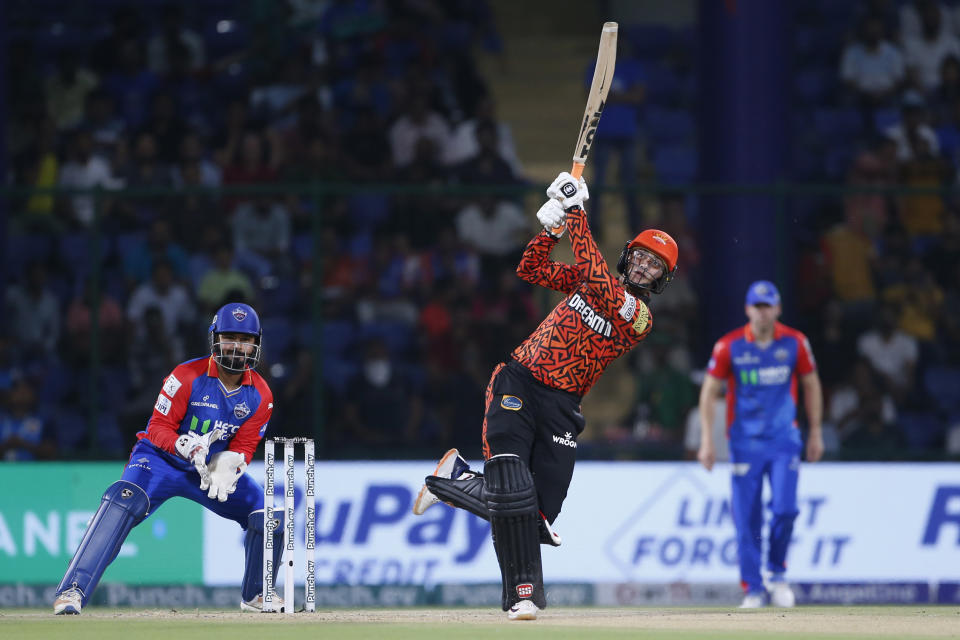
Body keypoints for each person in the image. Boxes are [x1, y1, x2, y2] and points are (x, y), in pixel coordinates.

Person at [412, 172, 679, 621]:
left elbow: (598, 276)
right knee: (513, 490)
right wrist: (551, 230)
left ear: (661, 280)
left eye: (655, 266)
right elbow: (530, 269)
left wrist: (575, 213)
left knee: (536, 515)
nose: (643, 267)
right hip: (519, 382)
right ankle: (524, 596)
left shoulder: (638, 318)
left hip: (562, 408)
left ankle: (455, 479)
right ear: (628, 253)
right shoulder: (590, 281)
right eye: (641, 256)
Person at [52, 303, 280, 615]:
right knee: (124, 498)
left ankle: (257, 595)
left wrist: (231, 465)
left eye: (245, 339)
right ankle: (72, 590)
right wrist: (183, 446)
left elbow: (245, 445)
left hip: (208, 470)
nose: (237, 346)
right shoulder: (186, 376)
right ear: (215, 338)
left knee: (269, 515)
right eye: (230, 337)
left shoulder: (261, 395)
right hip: (160, 460)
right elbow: (157, 428)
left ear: (256, 344)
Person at [697, 281, 824, 609]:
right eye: (757, 306)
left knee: (786, 509)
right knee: (746, 518)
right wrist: (707, 441)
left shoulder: (796, 342)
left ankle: (777, 575)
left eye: (768, 306)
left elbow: (811, 385)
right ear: (747, 309)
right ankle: (753, 588)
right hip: (744, 442)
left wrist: (815, 433)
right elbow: (709, 392)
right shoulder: (730, 346)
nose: (763, 312)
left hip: (784, 440)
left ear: (778, 309)